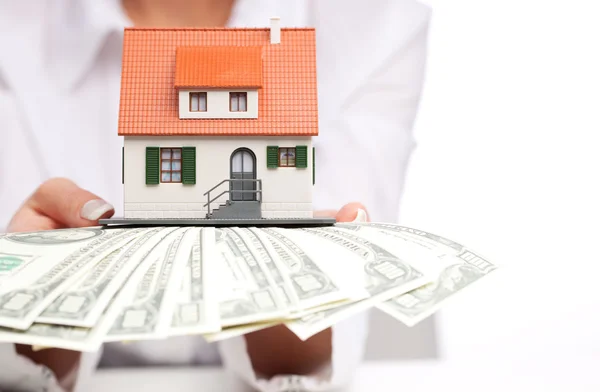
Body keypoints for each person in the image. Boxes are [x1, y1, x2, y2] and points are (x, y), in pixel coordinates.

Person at [0, 0, 431, 391]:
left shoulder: (375, 23)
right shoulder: (12, 35)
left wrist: (294, 289)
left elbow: (316, 355)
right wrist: (33, 309)